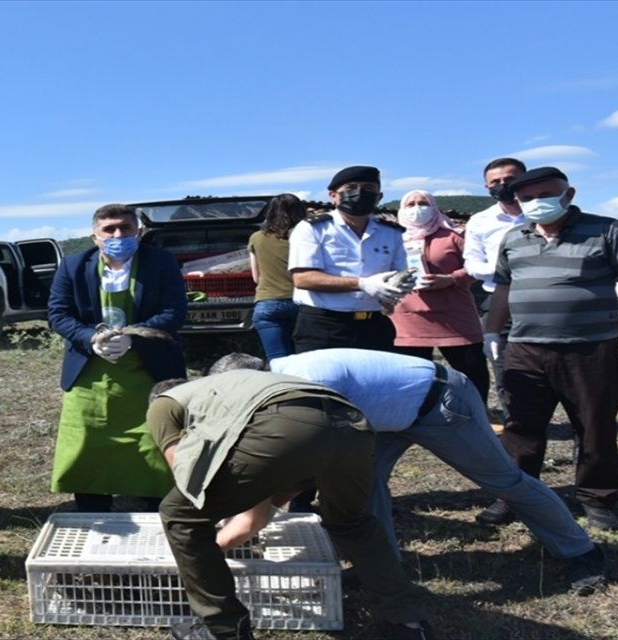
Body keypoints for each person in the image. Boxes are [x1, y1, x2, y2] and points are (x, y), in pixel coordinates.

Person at [255, 349, 604, 596]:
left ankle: (583, 552)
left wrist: (260, 508)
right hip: (386, 416)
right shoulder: (280, 375)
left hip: (440, 403)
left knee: (504, 481)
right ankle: (379, 566)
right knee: (364, 486)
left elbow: (312, 460)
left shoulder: (307, 382)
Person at [149, 364, 434, 640]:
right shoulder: (232, 391)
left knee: (180, 515)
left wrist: (204, 540)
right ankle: (408, 623)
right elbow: (278, 482)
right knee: (351, 522)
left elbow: (188, 481)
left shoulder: (163, 404)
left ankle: (222, 630)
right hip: (352, 425)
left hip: (286, 426)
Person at [478, 166, 618, 531]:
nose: (536, 203)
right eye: (527, 198)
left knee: (594, 425)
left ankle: (597, 497)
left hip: (590, 348)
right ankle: (515, 495)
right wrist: (492, 332)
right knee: (520, 426)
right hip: (525, 348)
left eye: (545, 195)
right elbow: (503, 287)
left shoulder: (608, 230)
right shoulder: (514, 237)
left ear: (569, 194)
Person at [47, 203, 187, 512]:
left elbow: (174, 311)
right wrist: (91, 338)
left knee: (153, 443)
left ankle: (158, 509)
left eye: (125, 227)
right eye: (108, 229)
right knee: (88, 445)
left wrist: (133, 337)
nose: (117, 234)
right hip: (90, 373)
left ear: (139, 232)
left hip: (150, 370)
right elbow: (58, 314)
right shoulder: (73, 265)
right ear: (94, 237)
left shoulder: (161, 263)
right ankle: (91, 509)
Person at [289, 165, 410, 354]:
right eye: (351, 187)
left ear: (379, 196)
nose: (359, 193)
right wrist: (362, 284)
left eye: (369, 188)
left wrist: (400, 285)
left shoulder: (391, 233)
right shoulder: (313, 229)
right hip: (325, 325)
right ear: (333, 195)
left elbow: (398, 273)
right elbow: (303, 278)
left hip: (374, 325)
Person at [390, 190, 489, 401]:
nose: (417, 209)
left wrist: (452, 279)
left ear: (435, 207)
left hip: (455, 319)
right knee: (413, 381)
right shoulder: (393, 239)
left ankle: (476, 414)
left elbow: (477, 268)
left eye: (423, 203)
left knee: (472, 374)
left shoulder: (454, 236)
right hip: (407, 320)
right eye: (410, 204)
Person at [463, 157, 527, 420]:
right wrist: (509, 268)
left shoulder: (545, 213)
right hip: (499, 303)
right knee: (506, 369)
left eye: (510, 179)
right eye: (496, 181)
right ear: (486, 187)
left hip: (545, 302)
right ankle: (516, 425)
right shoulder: (480, 221)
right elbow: (472, 265)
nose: (503, 185)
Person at [246, 193, 306, 361]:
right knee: (306, 360)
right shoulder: (305, 236)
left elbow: (256, 277)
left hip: (267, 303)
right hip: (302, 303)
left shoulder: (257, 237)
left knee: (278, 362)